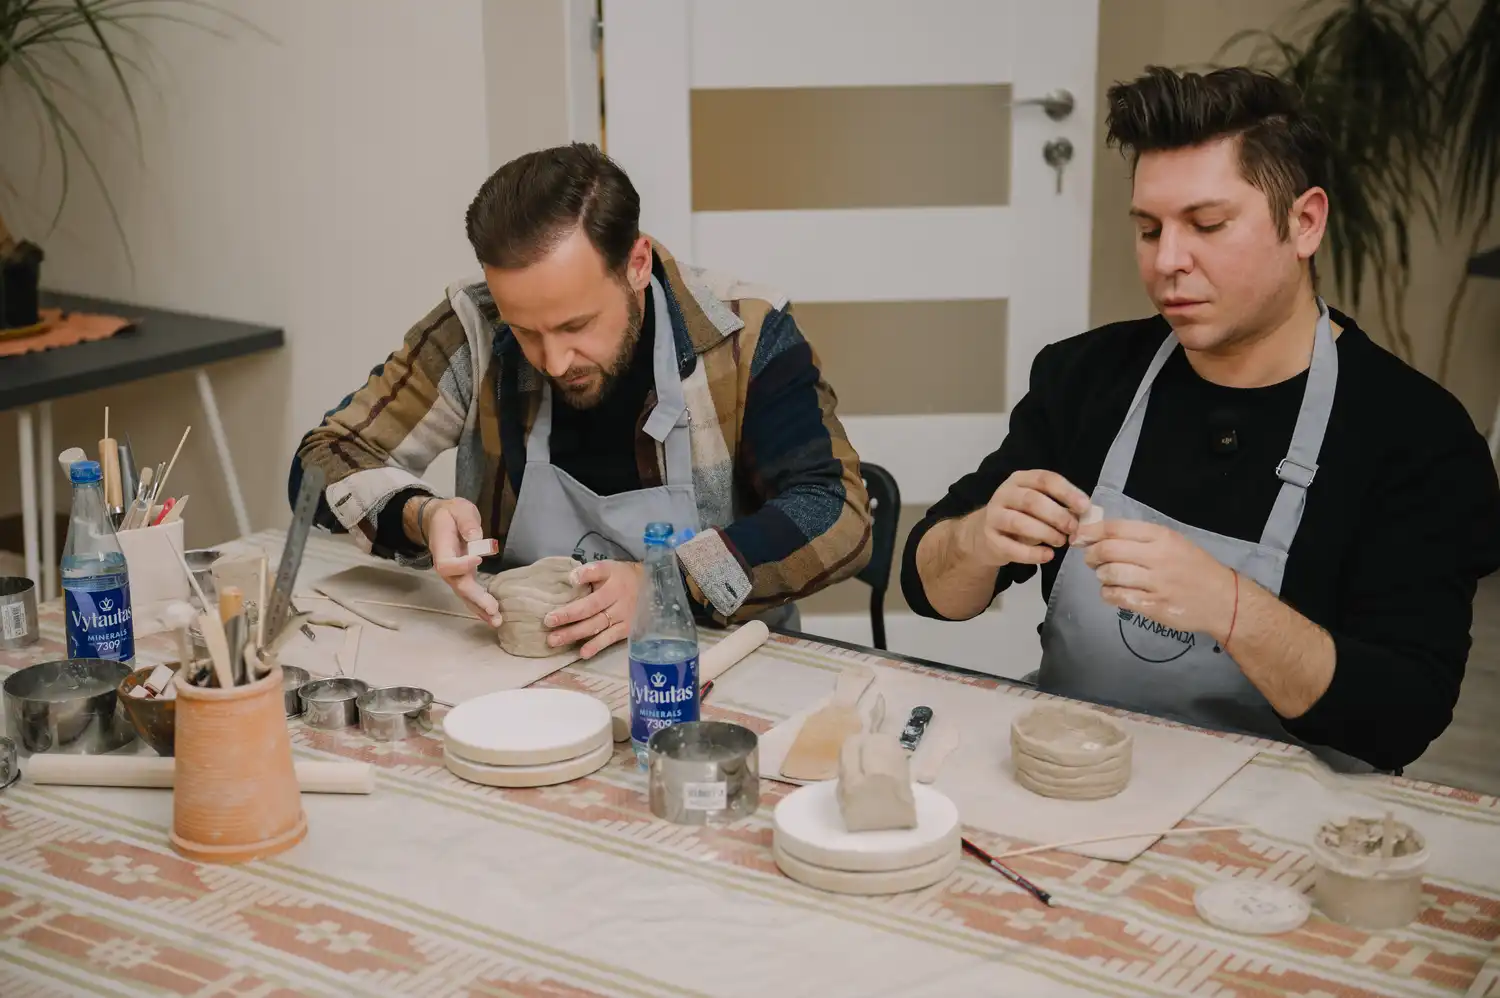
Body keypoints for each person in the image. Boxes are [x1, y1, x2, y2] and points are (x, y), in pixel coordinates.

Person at [902, 66, 1500, 773]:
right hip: (1077, 772)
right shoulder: (1086, 378)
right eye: (1148, 229)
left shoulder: (1417, 437)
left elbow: (1402, 718)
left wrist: (1233, 608)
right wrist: (976, 539)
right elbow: (930, 591)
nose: (1168, 262)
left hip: (1288, 813)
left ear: (1305, 223)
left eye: (1208, 225)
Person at [292, 144, 871, 658]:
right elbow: (321, 462)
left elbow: (835, 512)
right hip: (526, 659)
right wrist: (421, 516)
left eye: (576, 325)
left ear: (636, 264)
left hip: (712, 657)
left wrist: (665, 582)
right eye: (525, 331)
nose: (554, 361)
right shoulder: (476, 326)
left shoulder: (745, 336)